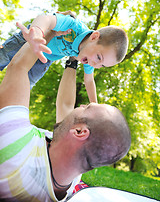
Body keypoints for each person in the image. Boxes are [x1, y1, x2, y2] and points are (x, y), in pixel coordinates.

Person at [0, 39, 131, 201]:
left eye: (87, 108)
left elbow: (18, 68)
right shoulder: (71, 176)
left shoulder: (14, 148)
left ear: (79, 132)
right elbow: (65, 105)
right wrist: (72, 62)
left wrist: (48, 31)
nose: (82, 104)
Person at [0, 11, 128, 103]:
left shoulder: (89, 57)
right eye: (99, 58)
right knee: (4, 57)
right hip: (33, 38)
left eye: (102, 65)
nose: (95, 65)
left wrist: (94, 104)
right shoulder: (73, 27)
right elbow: (46, 19)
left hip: (45, 58)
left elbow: (89, 81)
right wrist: (37, 33)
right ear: (94, 37)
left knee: (23, 86)